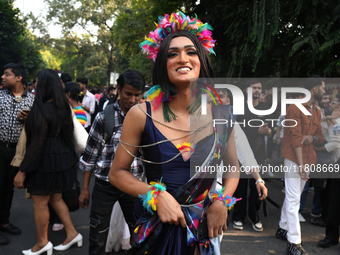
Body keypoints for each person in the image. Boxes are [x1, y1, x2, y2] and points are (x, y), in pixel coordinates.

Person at [109, 12, 240, 254]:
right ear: (162, 63)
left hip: (202, 230)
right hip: (158, 230)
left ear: (202, 60)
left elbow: (233, 167)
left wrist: (223, 201)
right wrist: (156, 195)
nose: (183, 59)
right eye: (172, 53)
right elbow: (117, 173)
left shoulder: (223, 114)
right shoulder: (141, 114)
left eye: (191, 52)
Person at [13, 69, 82, 255]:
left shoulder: (40, 109)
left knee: (40, 203)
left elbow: (37, 145)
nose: (34, 84)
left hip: (46, 164)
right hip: (63, 161)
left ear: (43, 85)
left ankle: (42, 243)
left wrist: (23, 170)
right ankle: (73, 233)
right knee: (56, 198)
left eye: (36, 81)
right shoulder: (63, 106)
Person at [78, 69, 145, 255]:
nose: (132, 99)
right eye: (128, 93)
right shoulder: (103, 117)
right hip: (104, 185)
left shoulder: (146, 118)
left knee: (139, 233)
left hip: (134, 185)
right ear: (118, 90)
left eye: (137, 95)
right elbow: (90, 155)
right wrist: (85, 188)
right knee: (97, 235)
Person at [275, 77, 325, 255]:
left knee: (292, 196)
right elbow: (295, 138)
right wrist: (301, 164)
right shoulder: (294, 108)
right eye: (322, 88)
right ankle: (294, 242)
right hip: (294, 158)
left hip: (309, 158)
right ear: (314, 89)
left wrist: (313, 138)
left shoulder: (317, 111)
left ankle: (282, 227)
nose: (324, 92)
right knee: (294, 199)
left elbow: (320, 136)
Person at [0, 63, 35, 246]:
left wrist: (29, 121)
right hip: (0, 147)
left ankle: (4, 222)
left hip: (17, 151)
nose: (3, 77)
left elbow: (37, 127)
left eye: (7, 74)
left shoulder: (32, 100)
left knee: (8, 188)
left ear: (19, 78)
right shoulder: (0, 96)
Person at [232, 80, 271, 232]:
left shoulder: (265, 108)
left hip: (259, 153)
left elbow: (270, 128)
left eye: (259, 88)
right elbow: (237, 132)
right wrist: (257, 132)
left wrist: (268, 132)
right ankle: (238, 216)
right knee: (240, 187)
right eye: (254, 87)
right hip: (241, 154)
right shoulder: (239, 108)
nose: (257, 90)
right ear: (247, 90)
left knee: (257, 187)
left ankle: (254, 216)